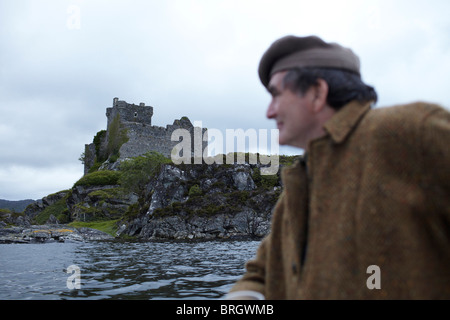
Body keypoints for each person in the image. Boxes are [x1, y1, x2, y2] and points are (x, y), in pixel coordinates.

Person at [226, 35, 450, 300]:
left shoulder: (411, 133)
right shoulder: (299, 188)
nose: (269, 112)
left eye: (275, 95)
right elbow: (261, 274)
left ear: (317, 92)